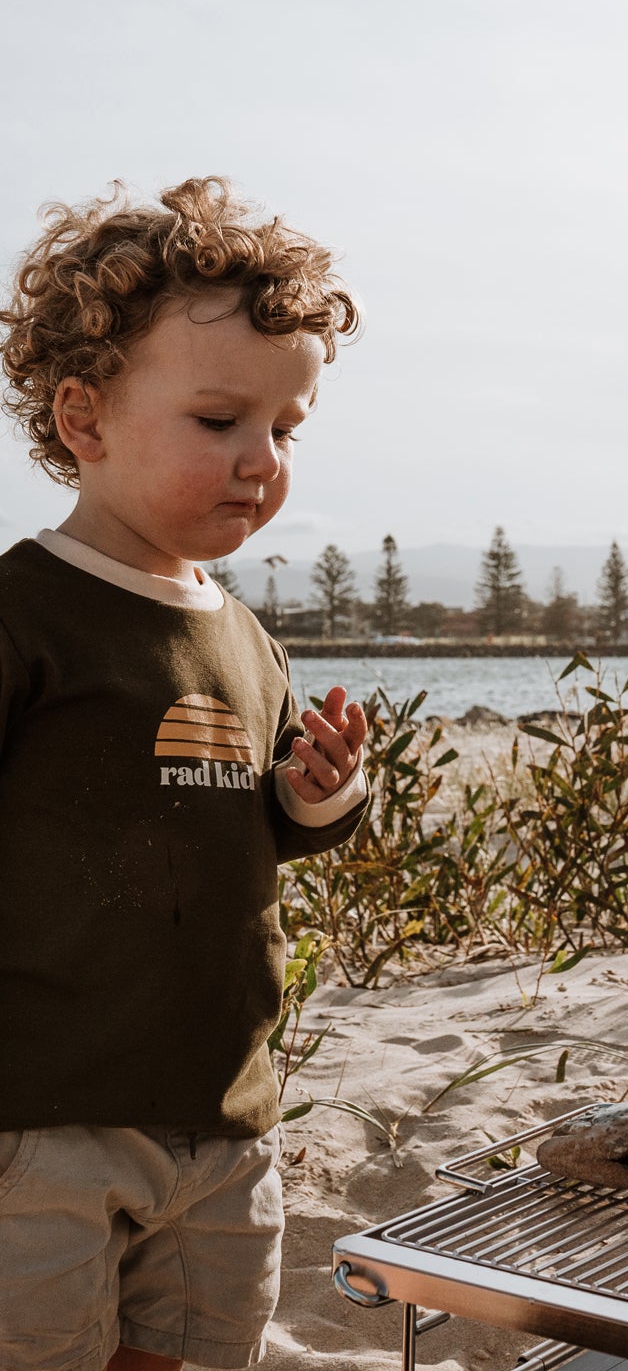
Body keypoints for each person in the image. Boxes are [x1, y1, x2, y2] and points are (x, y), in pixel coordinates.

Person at [0, 178, 371, 1371]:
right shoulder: (25, 617)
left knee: (201, 1349)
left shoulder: (245, 638)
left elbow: (253, 827)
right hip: (42, 1114)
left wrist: (320, 795)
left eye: (287, 428)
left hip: (225, 1111)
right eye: (219, 421)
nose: (261, 460)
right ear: (85, 419)